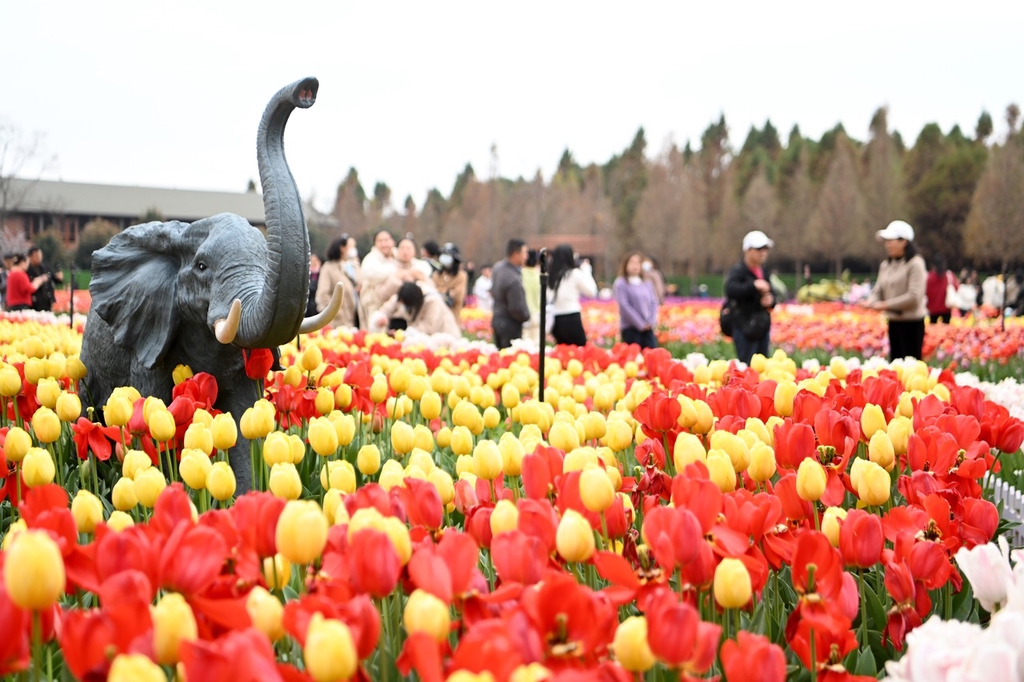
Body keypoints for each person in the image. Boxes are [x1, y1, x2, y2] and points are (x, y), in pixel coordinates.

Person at [864, 220, 927, 361]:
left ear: (904, 241)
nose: (887, 245)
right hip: (894, 322)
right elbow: (878, 289)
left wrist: (885, 305)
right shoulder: (886, 265)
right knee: (895, 365)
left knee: (911, 369)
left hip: (912, 324)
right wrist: (872, 302)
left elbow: (913, 297)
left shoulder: (916, 263)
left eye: (890, 241)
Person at [724, 230, 777, 365]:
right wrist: (753, 285)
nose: (763, 252)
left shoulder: (764, 271)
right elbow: (730, 290)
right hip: (744, 327)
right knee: (747, 366)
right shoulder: (739, 271)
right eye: (759, 249)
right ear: (747, 250)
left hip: (761, 327)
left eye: (765, 249)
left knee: (763, 366)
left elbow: (772, 292)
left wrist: (771, 300)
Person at [546, 244, 598, 346]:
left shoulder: (550, 276)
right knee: (579, 350)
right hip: (572, 318)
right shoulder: (574, 274)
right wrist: (587, 271)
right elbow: (592, 292)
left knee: (562, 351)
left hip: (556, 320)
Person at [372, 282, 461, 338]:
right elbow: (385, 310)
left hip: (444, 333)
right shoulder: (403, 296)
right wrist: (380, 319)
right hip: (418, 335)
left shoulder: (432, 302)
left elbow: (427, 328)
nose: (404, 306)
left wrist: (402, 334)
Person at [613, 251, 660, 349]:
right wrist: (640, 324)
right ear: (626, 264)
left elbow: (653, 301)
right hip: (631, 328)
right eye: (632, 262)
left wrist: (651, 321)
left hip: (648, 327)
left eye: (638, 262)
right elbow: (624, 306)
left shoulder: (646, 282)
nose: (635, 265)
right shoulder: (621, 283)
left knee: (651, 354)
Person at [490, 239, 530, 349]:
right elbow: (516, 307)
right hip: (510, 324)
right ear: (516, 254)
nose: (526, 257)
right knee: (510, 360)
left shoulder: (498, 268)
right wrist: (526, 316)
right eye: (524, 253)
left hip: (497, 319)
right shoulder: (512, 278)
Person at [316, 236, 359, 328]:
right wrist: (335, 312)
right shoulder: (328, 268)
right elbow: (323, 294)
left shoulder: (352, 266)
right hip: (337, 322)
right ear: (342, 248)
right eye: (350, 246)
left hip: (353, 318)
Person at [359, 230, 397, 330]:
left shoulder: (398, 256)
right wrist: (396, 271)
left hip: (396, 305)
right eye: (380, 241)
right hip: (375, 304)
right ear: (375, 244)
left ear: (392, 241)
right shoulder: (370, 259)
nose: (384, 244)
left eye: (386, 240)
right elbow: (370, 275)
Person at [431, 242, 468, 319]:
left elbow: (457, 296)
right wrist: (446, 293)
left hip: (452, 317)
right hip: (436, 316)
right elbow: (432, 292)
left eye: (448, 255)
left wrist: (441, 293)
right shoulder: (436, 275)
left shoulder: (461, 276)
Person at [27, 245, 62, 312]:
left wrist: (58, 277)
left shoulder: (45, 267)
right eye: (36, 256)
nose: (39, 258)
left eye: (40, 256)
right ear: (30, 257)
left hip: (47, 302)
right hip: (35, 303)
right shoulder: (28, 270)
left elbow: (53, 278)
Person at [925, 255, 957, 324]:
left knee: (933, 331)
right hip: (946, 308)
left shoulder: (929, 277)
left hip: (933, 308)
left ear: (932, 265)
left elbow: (925, 291)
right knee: (946, 330)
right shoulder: (948, 275)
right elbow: (956, 287)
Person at [520, 249, 541, 345]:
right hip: (536, 314)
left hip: (523, 314)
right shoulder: (539, 276)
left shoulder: (520, 275)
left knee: (524, 344)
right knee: (536, 344)